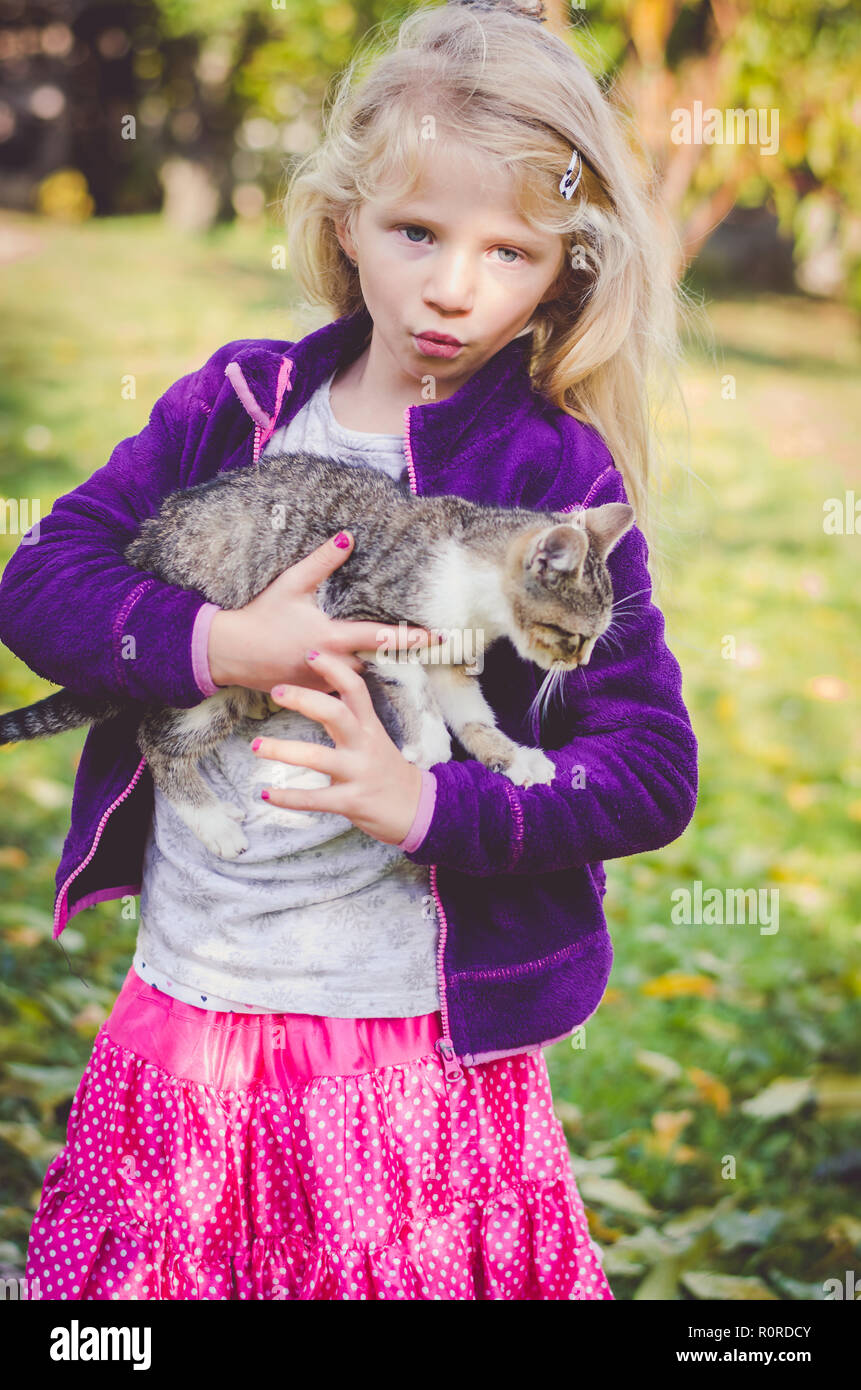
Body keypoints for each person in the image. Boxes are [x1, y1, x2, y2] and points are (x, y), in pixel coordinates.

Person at [0, 0, 698, 1300]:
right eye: (417, 231)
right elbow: (41, 581)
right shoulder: (238, 405)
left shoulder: (552, 475)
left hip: (409, 1046)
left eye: (508, 252)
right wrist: (217, 640)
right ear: (342, 221)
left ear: (564, 271)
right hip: (192, 1011)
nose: (451, 285)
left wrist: (433, 801)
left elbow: (648, 767)